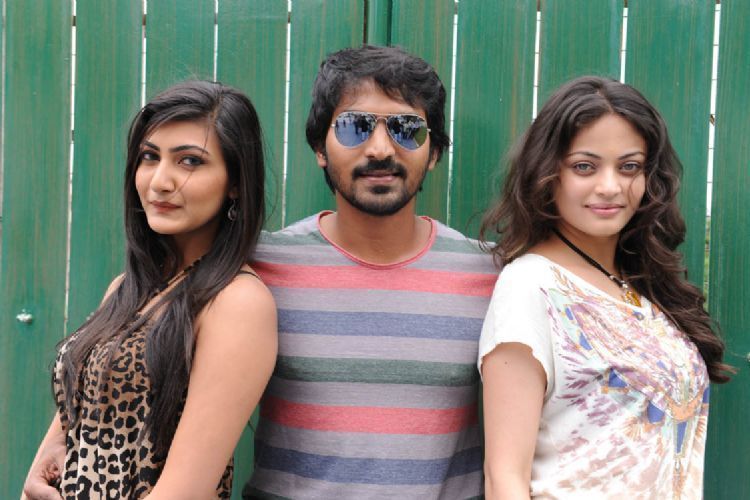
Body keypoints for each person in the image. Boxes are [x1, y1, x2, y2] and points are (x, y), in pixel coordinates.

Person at [243, 45, 498, 498]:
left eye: (406, 129)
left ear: (434, 152)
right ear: (320, 148)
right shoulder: (257, 267)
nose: (380, 149)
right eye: (354, 126)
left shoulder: (495, 276)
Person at [478, 76, 732, 499]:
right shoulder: (530, 286)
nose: (610, 187)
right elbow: (504, 476)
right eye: (585, 166)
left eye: (629, 167)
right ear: (548, 173)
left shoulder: (640, 287)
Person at [23, 81, 277, 499]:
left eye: (190, 161)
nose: (160, 181)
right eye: (149, 157)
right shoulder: (126, 288)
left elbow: (184, 492)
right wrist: (40, 472)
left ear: (235, 182)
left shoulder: (237, 302)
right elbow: (76, 417)